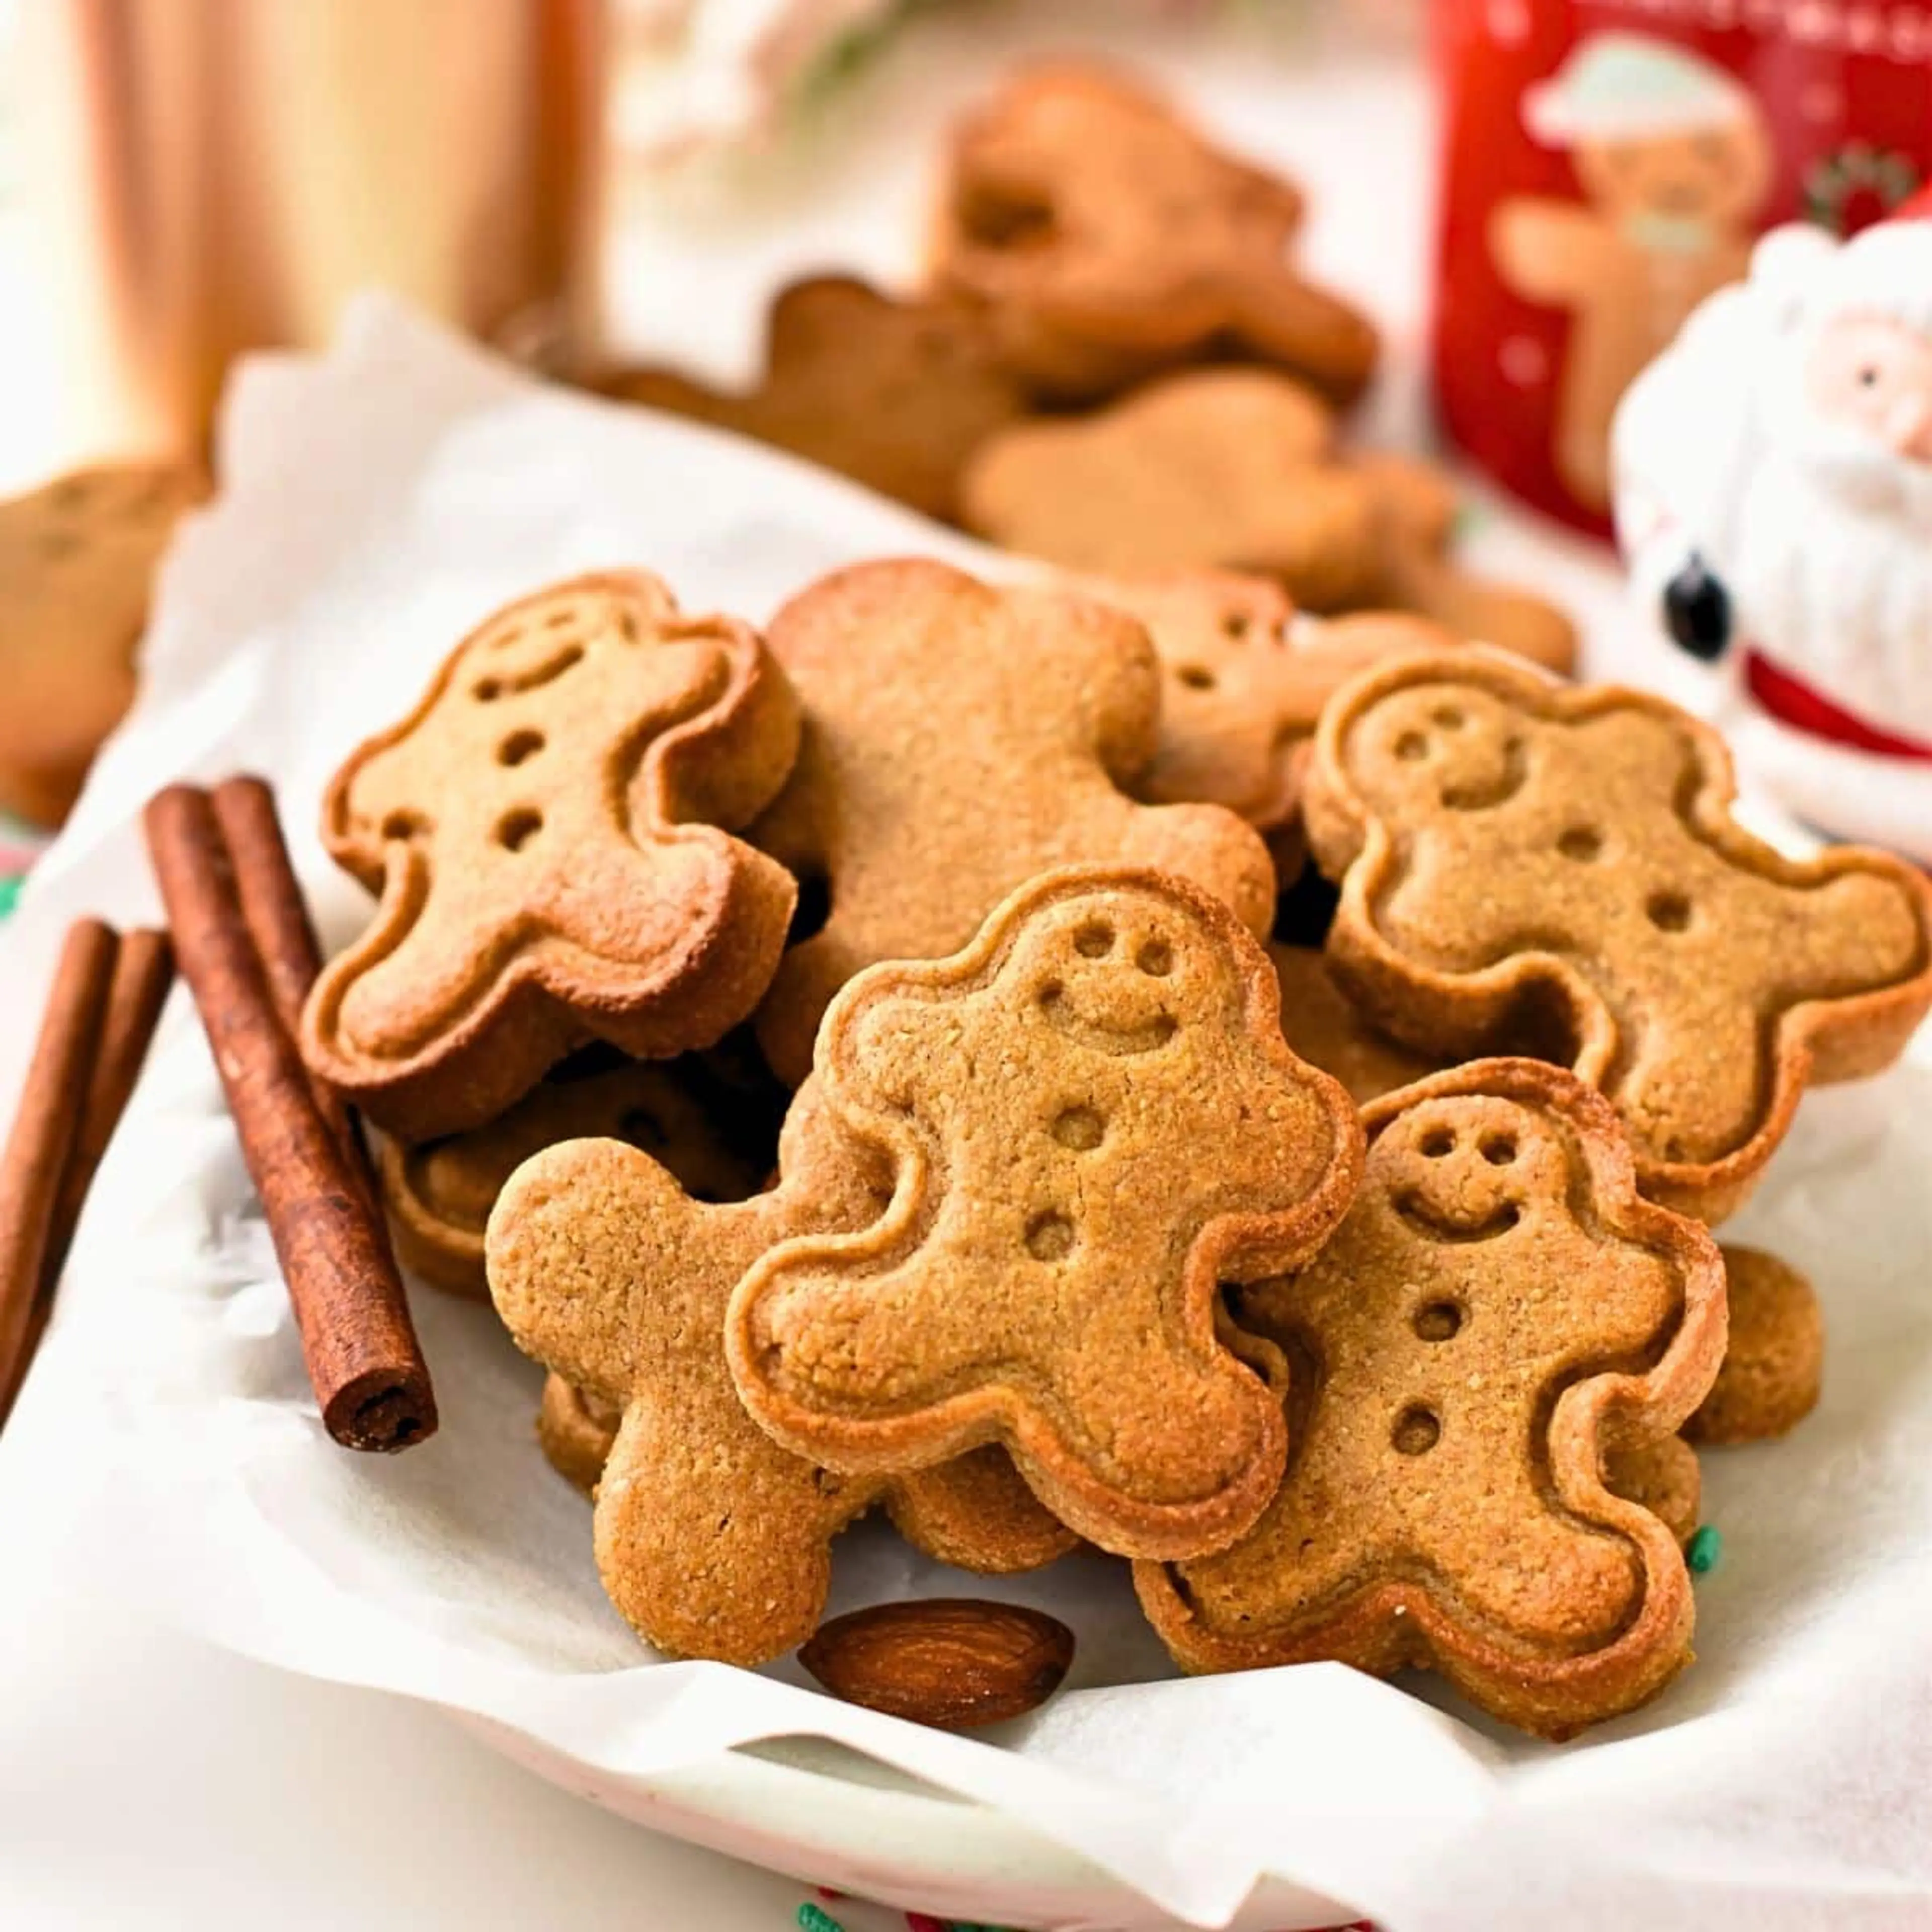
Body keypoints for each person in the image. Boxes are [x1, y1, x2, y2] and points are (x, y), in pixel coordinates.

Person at [1613, 189, 1932, 860]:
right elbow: (1654, 481)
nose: (1905, 433)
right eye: (1871, 380)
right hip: (1717, 737)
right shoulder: (1737, 416)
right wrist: (1675, 577)